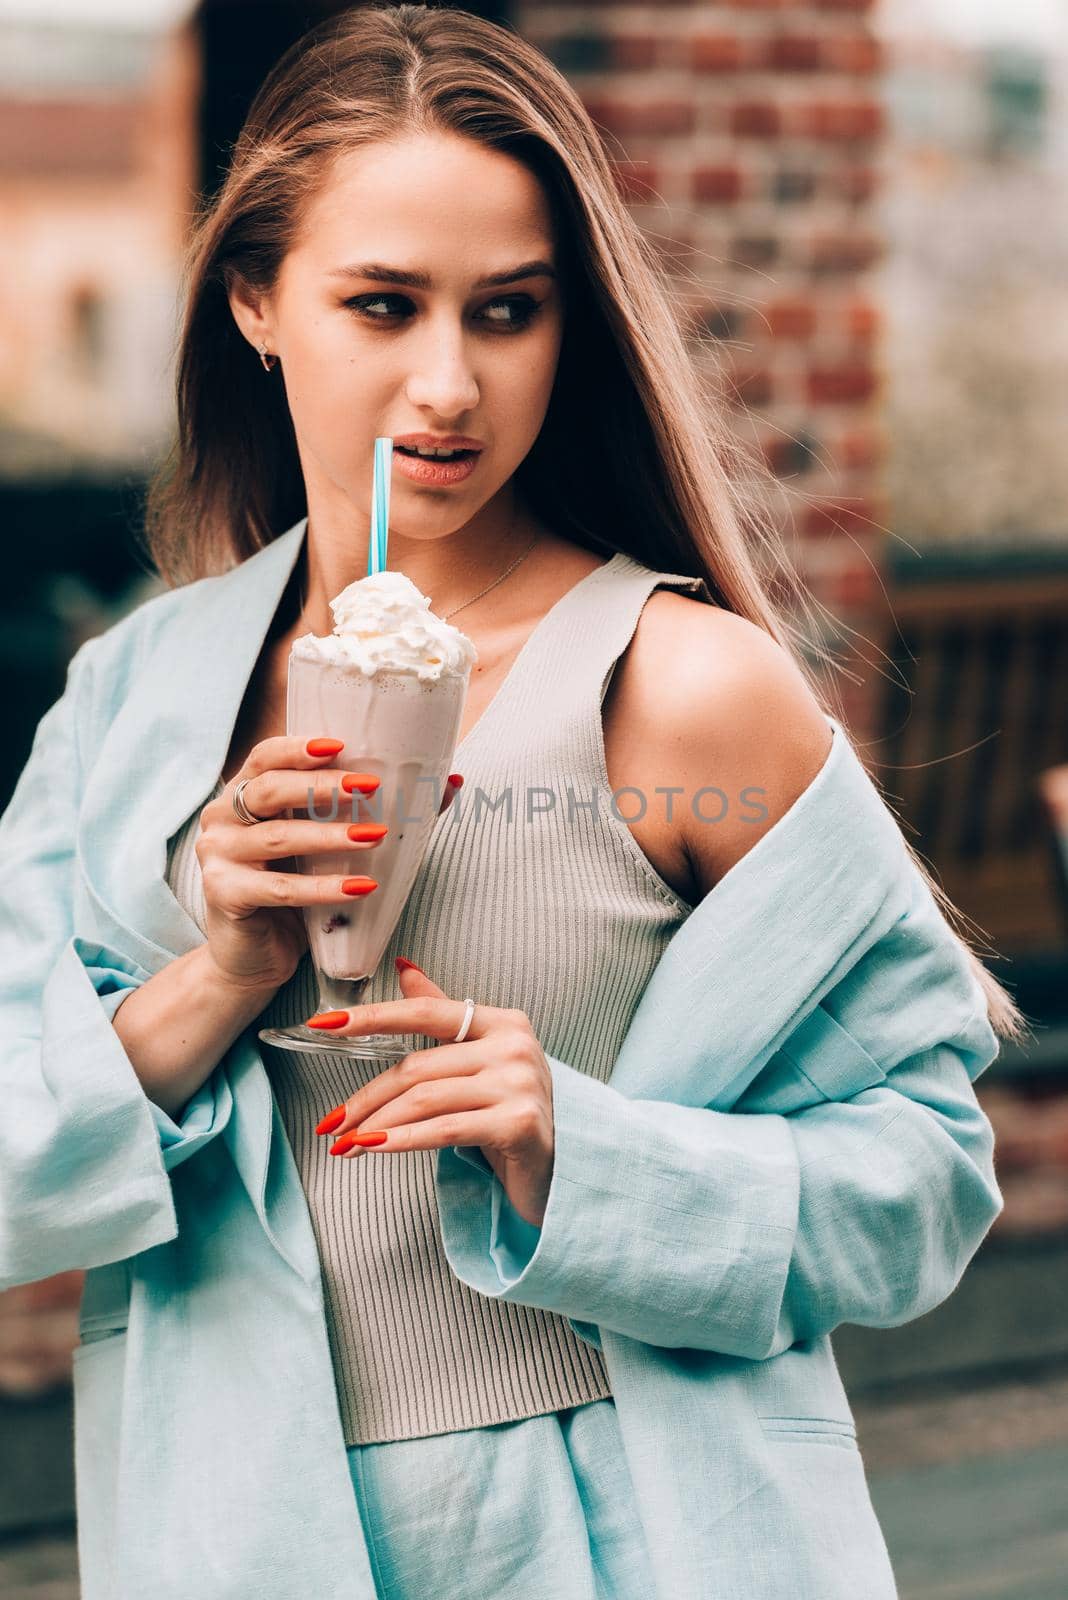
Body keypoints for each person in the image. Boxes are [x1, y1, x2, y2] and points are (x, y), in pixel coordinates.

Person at [0, 7, 1024, 1598]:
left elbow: (925, 1179)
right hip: (233, 1534)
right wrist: (210, 987)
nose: (449, 384)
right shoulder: (129, 710)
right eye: (383, 305)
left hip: (636, 1537)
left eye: (512, 311)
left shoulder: (682, 692)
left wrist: (587, 1156)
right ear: (258, 304)